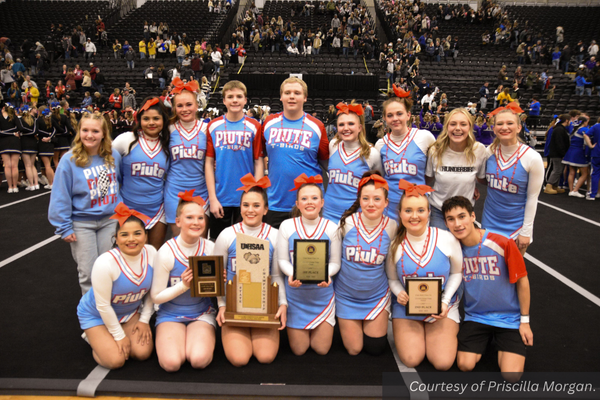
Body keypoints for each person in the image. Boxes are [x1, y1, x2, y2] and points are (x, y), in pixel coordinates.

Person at [442, 196, 532, 380]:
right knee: (464, 365)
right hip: (477, 316)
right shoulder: (453, 248)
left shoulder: (502, 243)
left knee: (511, 376)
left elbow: (523, 281)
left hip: (508, 318)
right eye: (451, 219)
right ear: (446, 223)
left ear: (473, 216)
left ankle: (502, 340)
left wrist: (525, 321)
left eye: (462, 216)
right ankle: (487, 339)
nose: (457, 224)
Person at [386, 180, 463, 369]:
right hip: (407, 308)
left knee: (443, 363)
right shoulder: (395, 244)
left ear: (429, 212)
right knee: (412, 359)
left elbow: (457, 273)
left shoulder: (446, 238)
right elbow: (392, 278)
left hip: (441, 308)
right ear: (400, 213)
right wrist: (399, 293)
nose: (414, 216)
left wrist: (444, 302)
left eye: (420, 210)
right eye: (408, 210)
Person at [214, 174, 287, 366]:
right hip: (233, 306)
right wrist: (221, 305)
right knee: (239, 359)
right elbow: (217, 276)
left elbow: (277, 276)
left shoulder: (275, 235)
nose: (250, 210)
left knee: (266, 357)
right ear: (240, 208)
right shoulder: (227, 235)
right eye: (246, 205)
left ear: (265, 209)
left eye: (256, 205)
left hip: (264, 305)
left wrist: (283, 304)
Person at [48, 112, 122, 294]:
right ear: (79, 131)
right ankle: (91, 317)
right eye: (85, 130)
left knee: (106, 270)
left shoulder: (113, 156)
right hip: (82, 223)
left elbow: (120, 184)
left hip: (109, 221)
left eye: (95, 131)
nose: (90, 135)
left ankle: (108, 310)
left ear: (104, 133)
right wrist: (64, 226)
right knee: (88, 273)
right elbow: (60, 195)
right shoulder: (69, 160)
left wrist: (122, 215)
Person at [77, 204, 155, 369]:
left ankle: (110, 334)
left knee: (142, 353)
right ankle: (92, 336)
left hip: (129, 312)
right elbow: (103, 306)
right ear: (116, 238)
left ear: (146, 236)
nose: (131, 239)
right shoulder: (105, 263)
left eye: (137, 233)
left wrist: (144, 319)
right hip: (96, 314)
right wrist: (119, 336)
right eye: (124, 235)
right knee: (116, 360)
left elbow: (152, 294)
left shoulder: (152, 253)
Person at [151, 191, 216, 372]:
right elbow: (156, 297)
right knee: (171, 363)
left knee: (199, 359)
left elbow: (214, 291)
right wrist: (183, 286)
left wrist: (222, 283)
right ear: (178, 221)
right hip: (171, 314)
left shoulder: (210, 248)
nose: (196, 222)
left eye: (200, 218)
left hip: (201, 312)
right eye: (189, 217)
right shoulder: (166, 251)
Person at [277, 174, 341, 355]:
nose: (309, 202)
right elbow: (282, 260)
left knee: (321, 350)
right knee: (299, 350)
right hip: (296, 295)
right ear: (297, 204)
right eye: (304, 199)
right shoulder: (287, 226)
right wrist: (292, 273)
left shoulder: (332, 227)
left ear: (322, 202)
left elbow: (335, 262)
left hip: (322, 294)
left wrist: (326, 274)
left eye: (314, 198)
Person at [334, 171, 396, 355]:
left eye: (377, 199)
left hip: (376, 296)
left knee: (375, 349)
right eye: (366, 198)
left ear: (386, 202)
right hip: (346, 296)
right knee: (354, 350)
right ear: (359, 200)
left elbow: (391, 268)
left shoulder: (392, 227)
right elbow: (335, 261)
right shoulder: (346, 223)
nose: (371, 204)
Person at [262, 77, 329, 228]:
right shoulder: (268, 123)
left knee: (308, 250)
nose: (292, 96)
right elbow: (258, 155)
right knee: (276, 250)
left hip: (308, 203)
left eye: (297, 93)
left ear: (305, 97)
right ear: (281, 96)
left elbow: (327, 162)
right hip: (275, 201)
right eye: (287, 92)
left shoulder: (317, 126)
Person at [481, 104, 544, 255]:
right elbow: (479, 177)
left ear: (519, 127)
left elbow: (532, 198)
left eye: (510, 123)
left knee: (513, 274)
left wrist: (526, 231)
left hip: (516, 226)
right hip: (488, 222)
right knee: (491, 271)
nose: (504, 127)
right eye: (500, 124)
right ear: (494, 128)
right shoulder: (488, 152)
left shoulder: (532, 158)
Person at [206, 81, 264, 240]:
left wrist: (256, 194)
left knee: (246, 244)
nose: (235, 100)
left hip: (246, 197)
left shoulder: (255, 126)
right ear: (224, 100)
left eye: (239, 96)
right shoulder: (213, 126)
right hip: (221, 196)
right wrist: (212, 198)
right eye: (230, 96)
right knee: (219, 243)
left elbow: (259, 162)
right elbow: (209, 163)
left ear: (245, 100)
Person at [112, 97, 170, 249]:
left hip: (158, 210)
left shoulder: (168, 144)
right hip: (128, 207)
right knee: (130, 256)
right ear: (139, 120)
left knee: (153, 255)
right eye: (146, 119)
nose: (151, 123)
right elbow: (109, 169)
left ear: (163, 120)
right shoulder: (124, 140)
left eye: (156, 118)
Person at [375, 84, 435, 220]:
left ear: (408, 115)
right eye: (390, 115)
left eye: (399, 114)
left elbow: (433, 172)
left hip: (417, 207)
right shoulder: (381, 144)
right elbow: (382, 178)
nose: (395, 118)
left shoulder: (425, 137)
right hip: (390, 209)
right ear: (384, 118)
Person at [426, 108, 487, 230]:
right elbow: (427, 179)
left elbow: (481, 179)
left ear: (469, 127)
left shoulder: (479, 150)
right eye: (453, 124)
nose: (457, 128)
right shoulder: (435, 150)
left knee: (463, 249)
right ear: (446, 127)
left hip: (464, 212)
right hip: (439, 212)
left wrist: (468, 184)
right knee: (440, 248)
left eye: (463, 124)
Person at [323, 102, 382, 223]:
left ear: (360, 127)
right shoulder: (333, 146)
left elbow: (379, 185)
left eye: (351, 124)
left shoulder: (372, 153)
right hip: (328, 214)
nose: (346, 128)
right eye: (341, 124)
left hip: (356, 216)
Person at [164, 78, 209, 236]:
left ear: (197, 105)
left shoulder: (207, 128)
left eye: (189, 104)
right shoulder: (168, 130)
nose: (185, 109)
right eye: (180, 105)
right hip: (174, 193)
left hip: (201, 192)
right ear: (174, 108)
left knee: (199, 245)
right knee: (179, 244)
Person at [563, 116, 590, 198]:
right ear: (584, 122)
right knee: (585, 173)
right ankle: (575, 190)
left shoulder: (573, 129)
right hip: (579, 152)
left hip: (571, 152)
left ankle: (571, 190)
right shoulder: (584, 130)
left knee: (572, 172)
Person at [544, 114, 570, 195]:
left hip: (557, 153)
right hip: (557, 154)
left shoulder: (559, 128)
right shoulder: (559, 129)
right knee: (557, 170)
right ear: (566, 120)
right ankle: (549, 185)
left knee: (559, 170)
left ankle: (555, 185)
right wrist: (563, 153)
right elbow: (559, 143)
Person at [16, 105, 39, 191]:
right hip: (33, 143)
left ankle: (31, 185)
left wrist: (23, 134)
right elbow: (35, 131)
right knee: (32, 165)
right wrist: (32, 133)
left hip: (25, 143)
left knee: (28, 166)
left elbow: (21, 128)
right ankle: (36, 184)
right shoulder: (34, 120)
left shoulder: (20, 120)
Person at [0, 103, 21, 193]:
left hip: (4, 142)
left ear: (4, 108)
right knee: (14, 166)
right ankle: (15, 186)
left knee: (8, 166)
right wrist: (12, 133)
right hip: (14, 142)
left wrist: (4, 132)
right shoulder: (15, 117)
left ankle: (10, 187)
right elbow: (19, 128)